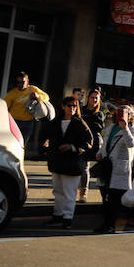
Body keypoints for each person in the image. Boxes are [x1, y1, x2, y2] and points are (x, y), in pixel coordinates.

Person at [39, 96, 93, 228]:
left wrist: (73, 147)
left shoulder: (79, 123)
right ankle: (57, 215)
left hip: (72, 163)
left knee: (69, 193)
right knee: (58, 192)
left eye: (74, 106)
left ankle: (67, 219)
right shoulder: (56, 122)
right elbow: (42, 136)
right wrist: (45, 150)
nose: (72, 108)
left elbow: (89, 142)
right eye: (69, 105)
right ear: (63, 106)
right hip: (57, 161)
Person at [93, 104, 134, 234]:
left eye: (124, 113)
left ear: (130, 116)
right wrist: (99, 153)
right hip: (107, 168)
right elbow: (105, 145)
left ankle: (110, 225)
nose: (120, 115)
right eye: (119, 113)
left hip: (120, 169)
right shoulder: (111, 127)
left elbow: (131, 144)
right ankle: (106, 223)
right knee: (105, 199)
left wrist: (125, 128)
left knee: (114, 200)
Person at [4, 70, 49, 155]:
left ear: (27, 81)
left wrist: (37, 96)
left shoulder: (32, 89)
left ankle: (19, 159)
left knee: (23, 144)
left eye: (23, 82)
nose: (20, 84)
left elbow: (46, 97)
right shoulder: (12, 93)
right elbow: (4, 107)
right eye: (18, 82)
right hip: (15, 122)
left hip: (28, 122)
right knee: (13, 142)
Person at [78, 88, 106, 202]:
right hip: (79, 141)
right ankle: (69, 191)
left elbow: (99, 127)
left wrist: (91, 119)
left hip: (91, 144)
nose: (94, 100)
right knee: (77, 167)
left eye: (96, 98)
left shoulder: (99, 113)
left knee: (85, 167)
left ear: (99, 100)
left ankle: (83, 192)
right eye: (92, 97)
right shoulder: (81, 110)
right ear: (88, 98)